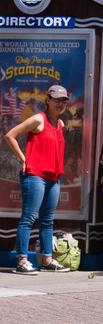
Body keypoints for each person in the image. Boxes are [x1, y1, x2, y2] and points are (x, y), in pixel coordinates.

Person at [5, 85, 71, 274]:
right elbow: (10, 135)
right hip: (35, 175)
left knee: (48, 220)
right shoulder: (38, 119)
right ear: (48, 100)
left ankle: (47, 260)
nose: (61, 104)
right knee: (29, 217)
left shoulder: (60, 124)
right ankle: (22, 261)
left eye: (64, 100)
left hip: (53, 177)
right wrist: (23, 159)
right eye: (57, 100)